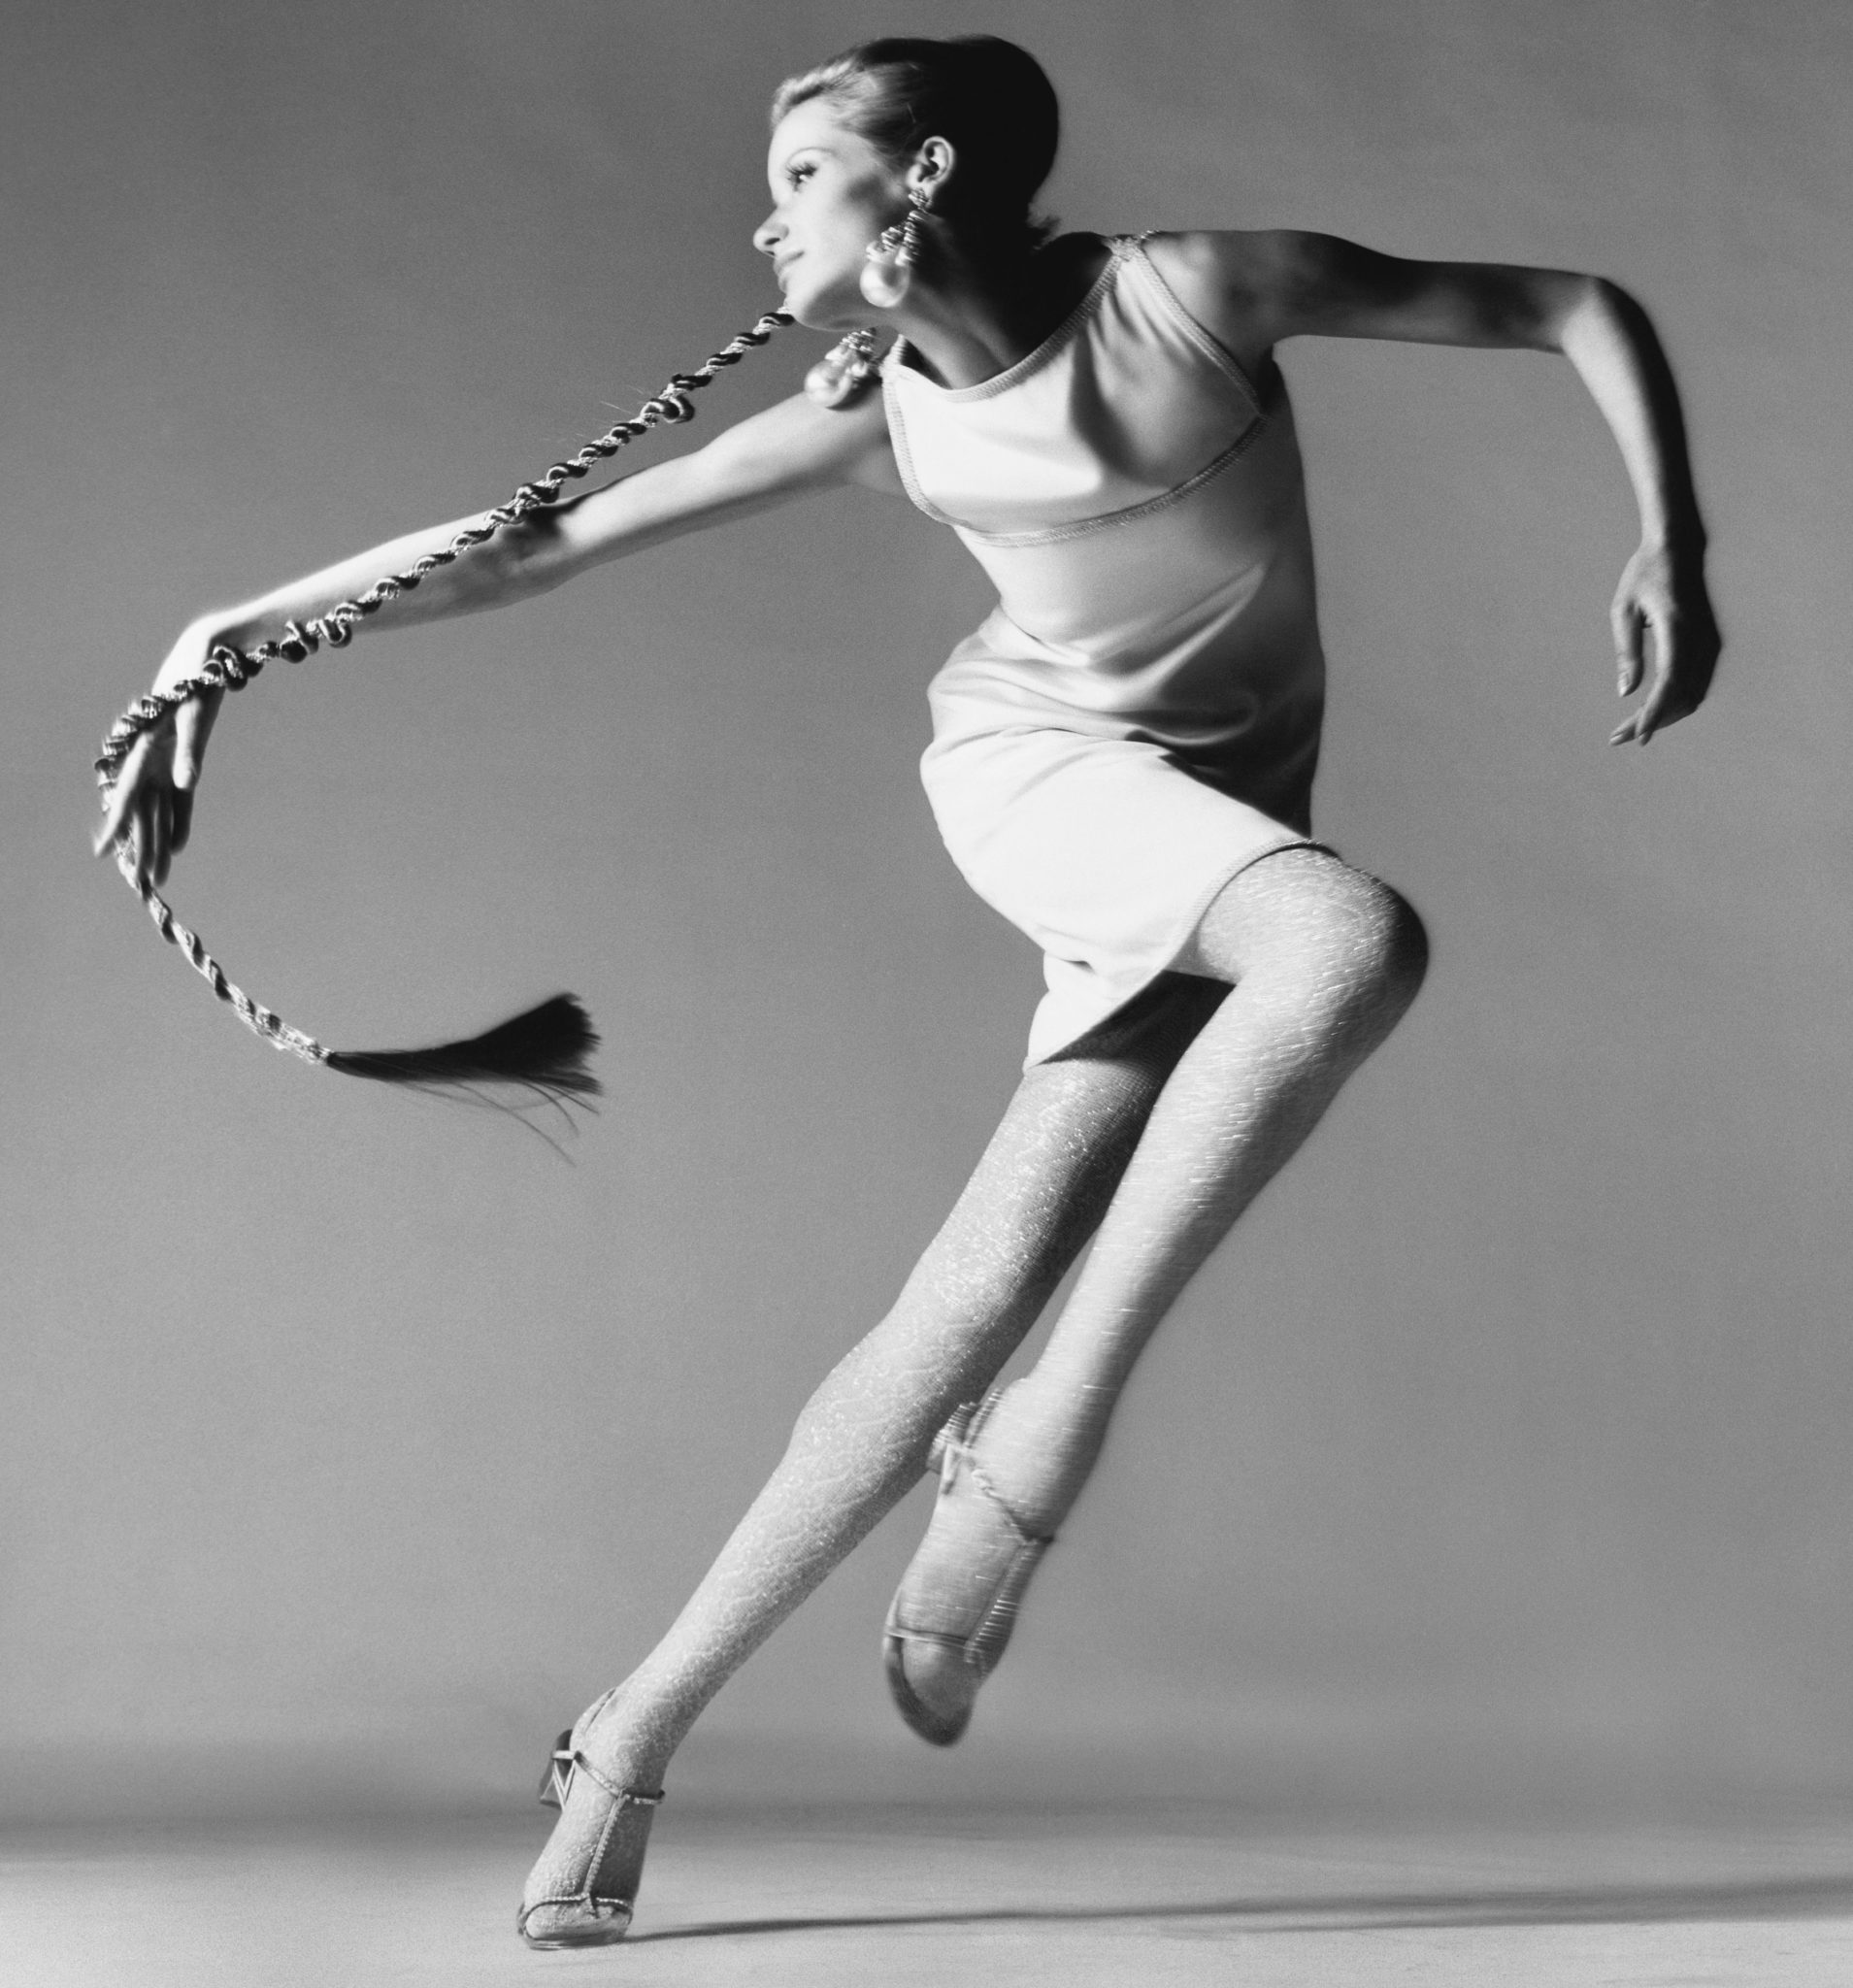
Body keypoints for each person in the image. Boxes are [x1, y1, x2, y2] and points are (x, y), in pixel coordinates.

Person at [96, 33, 1718, 1949]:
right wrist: (222, 636)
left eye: (801, 173)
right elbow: (538, 544)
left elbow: (1566, 305)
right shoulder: (883, 416)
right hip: (1046, 773)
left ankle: (625, 1733)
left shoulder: (1199, 292)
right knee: (1347, 944)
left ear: (924, 171)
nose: (762, 218)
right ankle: (1036, 1452)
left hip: (1219, 814)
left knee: (962, 1293)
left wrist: (1668, 540)